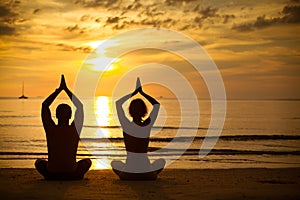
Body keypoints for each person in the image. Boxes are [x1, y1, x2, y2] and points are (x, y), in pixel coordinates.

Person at [35, 75, 91, 180]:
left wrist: (59, 90)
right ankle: (74, 176)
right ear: (70, 116)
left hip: (52, 171)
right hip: (71, 171)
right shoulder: (74, 129)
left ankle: (53, 176)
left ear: (56, 115)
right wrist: (66, 90)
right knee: (87, 161)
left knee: (38, 162)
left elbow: (45, 105)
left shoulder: (50, 128)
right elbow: (80, 106)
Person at [111, 77, 165, 180]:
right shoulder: (147, 125)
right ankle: (151, 173)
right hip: (147, 173)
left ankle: (127, 174)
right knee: (161, 161)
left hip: (129, 174)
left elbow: (118, 103)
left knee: (115, 163)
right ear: (144, 111)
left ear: (130, 111)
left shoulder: (126, 125)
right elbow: (156, 105)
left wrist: (134, 92)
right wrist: (142, 93)